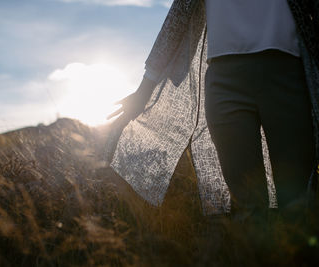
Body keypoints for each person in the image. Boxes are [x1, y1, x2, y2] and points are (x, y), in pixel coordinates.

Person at [107, 0, 318, 222]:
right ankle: (258, 254)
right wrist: (145, 89)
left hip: (288, 74)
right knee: (248, 201)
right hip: (225, 82)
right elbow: (177, 20)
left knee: (296, 197)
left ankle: (297, 254)